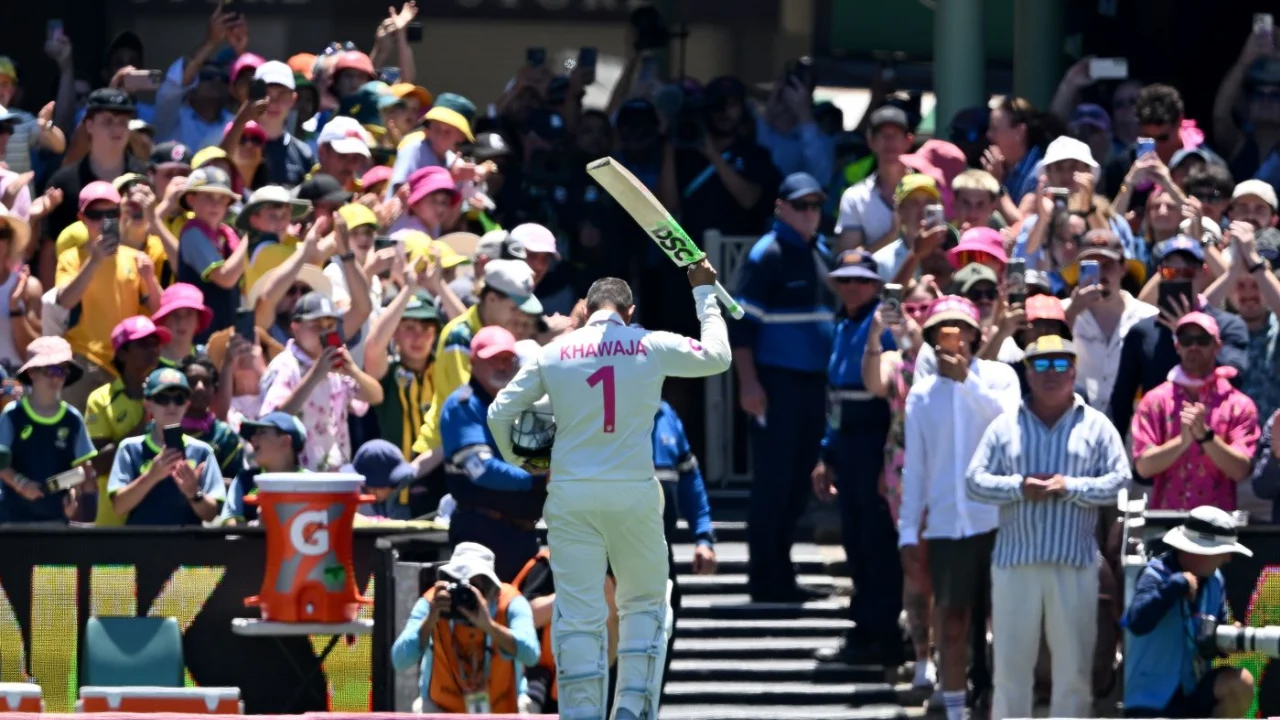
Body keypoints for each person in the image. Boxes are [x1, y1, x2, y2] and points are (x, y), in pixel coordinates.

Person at [486, 262, 731, 720]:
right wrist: (704, 295)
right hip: (634, 494)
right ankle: (633, 711)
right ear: (629, 310)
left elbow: (500, 414)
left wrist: (522, 460)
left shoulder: (553, 352)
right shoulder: (650, 343)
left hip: (571, 496)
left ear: (588, 308)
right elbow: (718, 358)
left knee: (579, 616)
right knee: (644, 605)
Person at [966, 335, 1129, 720]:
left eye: (1060, 365)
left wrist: (1070, 487)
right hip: (1014, 564)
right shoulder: (1005, 426)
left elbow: (1121, 481)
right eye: (1041, 365)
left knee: (1073, 671)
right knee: (1009, 671)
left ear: (1074, 370)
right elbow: (974, 481)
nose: (1051, 373)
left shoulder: (1097, 426)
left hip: (1074, 564)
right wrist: (1018, 488)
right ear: (1027, 372)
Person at [900, 295, 1020, 720]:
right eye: (942, 330)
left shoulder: (1001, 377)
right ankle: (954, 712)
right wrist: (908, 532)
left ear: (975, 334)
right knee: (951, 624)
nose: (953, 337)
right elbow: (915, 468)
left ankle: (998, 705)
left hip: (999, 522)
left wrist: (966, 379)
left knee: (1003, 625)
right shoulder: (921, 395)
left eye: (961, 328)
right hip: (949, 526)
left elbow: (1008, 425)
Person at [732, 172, 835, 603]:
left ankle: (782, 572)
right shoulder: (766, 254)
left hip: (813, 382)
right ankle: (765, 576)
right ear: (781, 207)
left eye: (815, 205)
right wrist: (749, 383)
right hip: (776, 382)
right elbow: (741, 327)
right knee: (774, 481)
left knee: (797, 481)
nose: (810, 214)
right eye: (801, 205)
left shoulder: (821, 250)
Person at [810, 249, 901, 662]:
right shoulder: (843, 323)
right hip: (847, 441)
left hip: (874, 440)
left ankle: (882, 631)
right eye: (843, 280)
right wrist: (826, 454)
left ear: (876, 285)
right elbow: (835, 402)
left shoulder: (883, 326)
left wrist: (889, 459)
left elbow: (891, 400)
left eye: (859, 280)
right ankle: (866, 626)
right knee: (855, 538)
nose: (850, 287)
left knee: (877, 539)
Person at [1121, 506, 1256, 718]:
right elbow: (1138, 622)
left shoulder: (1215, 580)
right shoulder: (1155, 575)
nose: (1228, 559)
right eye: (1222, 551)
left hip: (1194, 689)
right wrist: (1175, 586)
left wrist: (1228, 641)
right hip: (1150, 701)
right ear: (1198, 550)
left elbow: (1211, 639)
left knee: (1241, 683)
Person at [440, 325, 546, 579]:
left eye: (507, 359)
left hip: (523, 534)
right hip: (482, 534)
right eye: (493, 359)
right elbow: (481, 468)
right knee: (483, 614)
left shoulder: (519, 407)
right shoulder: (463, 404)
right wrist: (537, 478)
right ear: (473, 361)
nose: (501, 366)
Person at [390, 541, 540, 714]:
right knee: (420, 709)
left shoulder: (510, 602)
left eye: (475, 587)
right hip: (441, 710)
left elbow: (531, 655)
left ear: (491, 588)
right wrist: (430, 619)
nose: (465, 595)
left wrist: (490, 626)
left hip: (503, 711)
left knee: (526, 709)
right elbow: (399, 660)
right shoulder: (435, 601)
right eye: (457, 582)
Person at [1132, 312, 1259, 511]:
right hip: (1165, 522)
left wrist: (1206, 437)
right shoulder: (1154, 401)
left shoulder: (1239, 404)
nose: (1193, 346)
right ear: (1177, 346)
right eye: (1186, 340)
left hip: (1217, 524)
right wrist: (1181, 443)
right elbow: (1143, 467)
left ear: (1217, 346)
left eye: (1202, 340)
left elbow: (1241, 470)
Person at [258, 291, 383, 470]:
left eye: (330, 325)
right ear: (295, 327)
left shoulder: (336, 366)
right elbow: (273, 420)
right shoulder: (284, 365)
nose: (324, 332)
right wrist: (316, 374)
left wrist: (353, 371)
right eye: (316, 325)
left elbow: (375, 396)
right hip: (298, 478)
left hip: (337, 476)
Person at [107, 367, 224, 525]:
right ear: (148, 404)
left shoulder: (202, 451)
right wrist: (151, 476)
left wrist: (194, 493)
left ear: (187, 404)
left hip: (186, 547)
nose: (171, 405)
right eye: (162, 398)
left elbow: (211, 515)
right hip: (141, 546)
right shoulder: (129, 448)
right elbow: (119, 506)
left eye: (179, 398)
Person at [0, 337, 94, 524]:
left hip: (56, 521)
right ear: (32, 372)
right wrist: (20, 483)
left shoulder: (73, 419)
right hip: (12, 519)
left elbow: (82, 469)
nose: (56, 377)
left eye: (62, 371)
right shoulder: (13, 415)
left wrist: (72, 492)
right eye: (51, 370)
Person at [84, 315, 166, 525]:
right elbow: (98, 464)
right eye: (143, 343)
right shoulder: (100, 399)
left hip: (160, 522)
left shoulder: (172, 395)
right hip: (114, 525)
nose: (153, 348)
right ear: (122, 353)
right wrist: (144, 425)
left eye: (155, 342)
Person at [220, 411, 307, 526]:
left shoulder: (310, 482)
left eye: (261, 432)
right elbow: (230, 526)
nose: (252, 438)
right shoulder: (244, 480)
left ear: (285, 441)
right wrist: (257, 526)